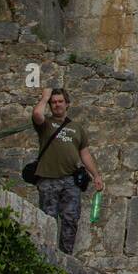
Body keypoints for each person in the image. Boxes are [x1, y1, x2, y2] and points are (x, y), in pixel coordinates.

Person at [32, 86, 103, 254]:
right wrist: (44, 98)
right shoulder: (45, 124)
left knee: (71, 218)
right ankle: (46, 255)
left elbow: (84, 154)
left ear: (67, 104)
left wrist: (96, 175)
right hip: (48, 179)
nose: (57, 105)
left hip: (70, 181)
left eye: (60, 101)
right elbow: (37, 115)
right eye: (53, 102)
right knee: (48, 218)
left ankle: (66, 257)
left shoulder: (77, 128)